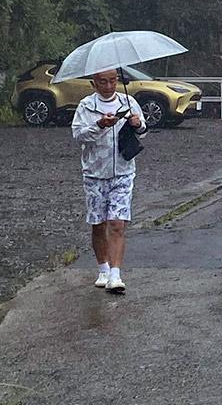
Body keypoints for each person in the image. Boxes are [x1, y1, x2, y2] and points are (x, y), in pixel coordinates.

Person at [72, 69, 147, 294]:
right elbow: (78, 135)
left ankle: (116, 274)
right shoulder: (86, 106)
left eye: (113, 81)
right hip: (95, 173)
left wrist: (137, 124)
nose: (108, 86)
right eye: (103, 82)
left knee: (117, 222)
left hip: (123, 171)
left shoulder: (128, 101)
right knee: (98, 224)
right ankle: (103, 269)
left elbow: (143, 131)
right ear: (94, 83)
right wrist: (100, 125)